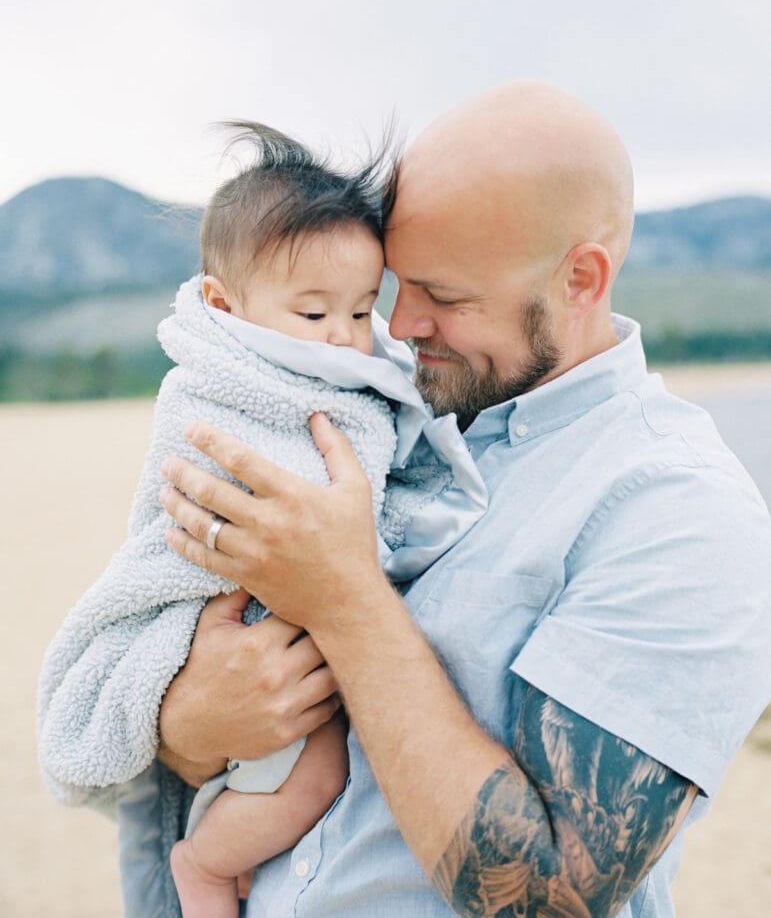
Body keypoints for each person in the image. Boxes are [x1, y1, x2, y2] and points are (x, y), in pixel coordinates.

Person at [156, 82, 771, 918]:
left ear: (581, 279)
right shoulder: (377, 415)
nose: (399, 323)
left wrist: (344, 602)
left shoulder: (679, 511)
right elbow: (204, 723)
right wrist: (191, 722)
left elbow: (548, 898)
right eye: (397, 285)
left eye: (445, 296)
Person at [37, 125, 487, 918]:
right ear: (224, 304)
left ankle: (222, 831)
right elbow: (202, 494)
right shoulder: (218, 381)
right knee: (313, 776)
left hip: (304, 635)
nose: (344, 336)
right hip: (242, 611)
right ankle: (207, 863)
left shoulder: (362, 363)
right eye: (314, 312)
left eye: (358, 309)